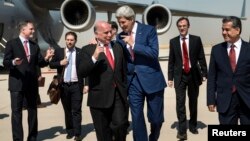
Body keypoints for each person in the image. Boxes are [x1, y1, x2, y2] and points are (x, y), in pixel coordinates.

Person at [115, 5, 167, 141]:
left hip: (152, 80)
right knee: (137, 118)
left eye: (123, 22)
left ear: (132, 19)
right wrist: (96, 43)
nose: (121, 25)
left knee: (156, 119)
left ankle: (153, 138)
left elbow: (154, 53)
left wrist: (134, 44)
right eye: (119, 22)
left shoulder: (149, 30)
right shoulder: (120, 36)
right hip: (133, 82)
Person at [3, 20, 54, 141]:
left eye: (33, 29)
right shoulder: (12, 44)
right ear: (23, 29)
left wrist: (47, 57)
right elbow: (5, 62)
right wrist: (14, 62)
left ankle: (32, 137)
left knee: (33, 112)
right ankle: (18, 139)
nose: (33, 31)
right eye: (31, 29)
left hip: (31, 84)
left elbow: (39, 63)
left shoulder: (34, 45)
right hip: (17, 84)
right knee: (16, 113)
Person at [78, 21, 128, 141]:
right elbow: (81, 72)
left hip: (118, 95)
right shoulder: (87, 49)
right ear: (96, 34)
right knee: (103, 133)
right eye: (106, 32)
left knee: (121, 125)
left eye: (111, 31)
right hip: (99, 98)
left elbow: (123, 70)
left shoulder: (118, 47)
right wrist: (94, 57)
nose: (110, 34)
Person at [168, 17, 207, 140]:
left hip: (193, 75)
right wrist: (170, 78)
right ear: (178, 27)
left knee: (193, 102)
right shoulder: (173, 41)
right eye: (179, 26)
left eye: (184, 25)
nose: (182, 28)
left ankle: (193, 125)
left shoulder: (196, 40)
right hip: (179, 76)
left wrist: (204, 72)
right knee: (180, 103)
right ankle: (182, 130)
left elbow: (201, 57)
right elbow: (171, 61)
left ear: (188, 26)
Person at [207, 16, 250, 124]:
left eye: (227, 29)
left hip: (247, 99)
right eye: (222, 29)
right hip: (225, 100)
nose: (224, 32)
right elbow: (212, 76)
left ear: (237, 30)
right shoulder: (216, 50)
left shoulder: (248, 48)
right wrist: (211, 99)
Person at [49, 31, 86, 141]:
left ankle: (78, 133)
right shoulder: (59, 52)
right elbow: (51, 64)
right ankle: (70, 131)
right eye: (68, 40)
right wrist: (60, 63)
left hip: (76, 86)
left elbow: (86, 69)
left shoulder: (80, 52)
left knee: (76, 110)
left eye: (71, 40)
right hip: (64, 86)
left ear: (75, 41)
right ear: (65, 40)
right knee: (67, 110)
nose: (69, 42)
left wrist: (86, 85)